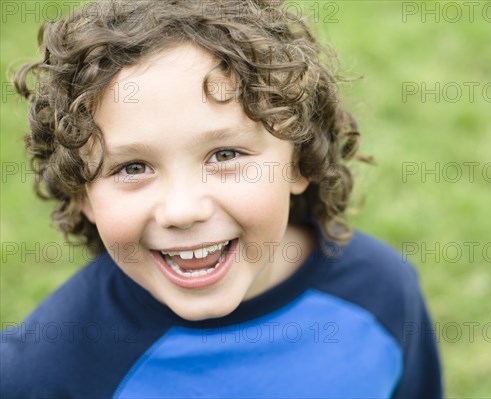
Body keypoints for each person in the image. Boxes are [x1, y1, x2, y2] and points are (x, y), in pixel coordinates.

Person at [1, 1, 443, 397]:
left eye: (225, 155)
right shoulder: (43, 373)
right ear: (84, 196)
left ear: (300, 161)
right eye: (132, 168)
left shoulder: (381, 293)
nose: (182, 209)